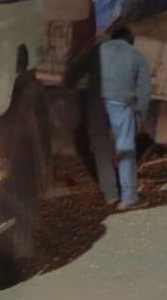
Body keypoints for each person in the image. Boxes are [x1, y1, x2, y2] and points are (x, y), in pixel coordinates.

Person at [65, 27, 152, 210]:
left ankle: (110, 195)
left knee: (100, 150)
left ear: (113, 38)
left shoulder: (98, 49)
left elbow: (73, 73)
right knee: (125, 149)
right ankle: (129, 198)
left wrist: (72, 87)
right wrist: (139, 115)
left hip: (95, 103)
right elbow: (144, 91)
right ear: (130, 41)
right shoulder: (137, 56)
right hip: (121, 104)